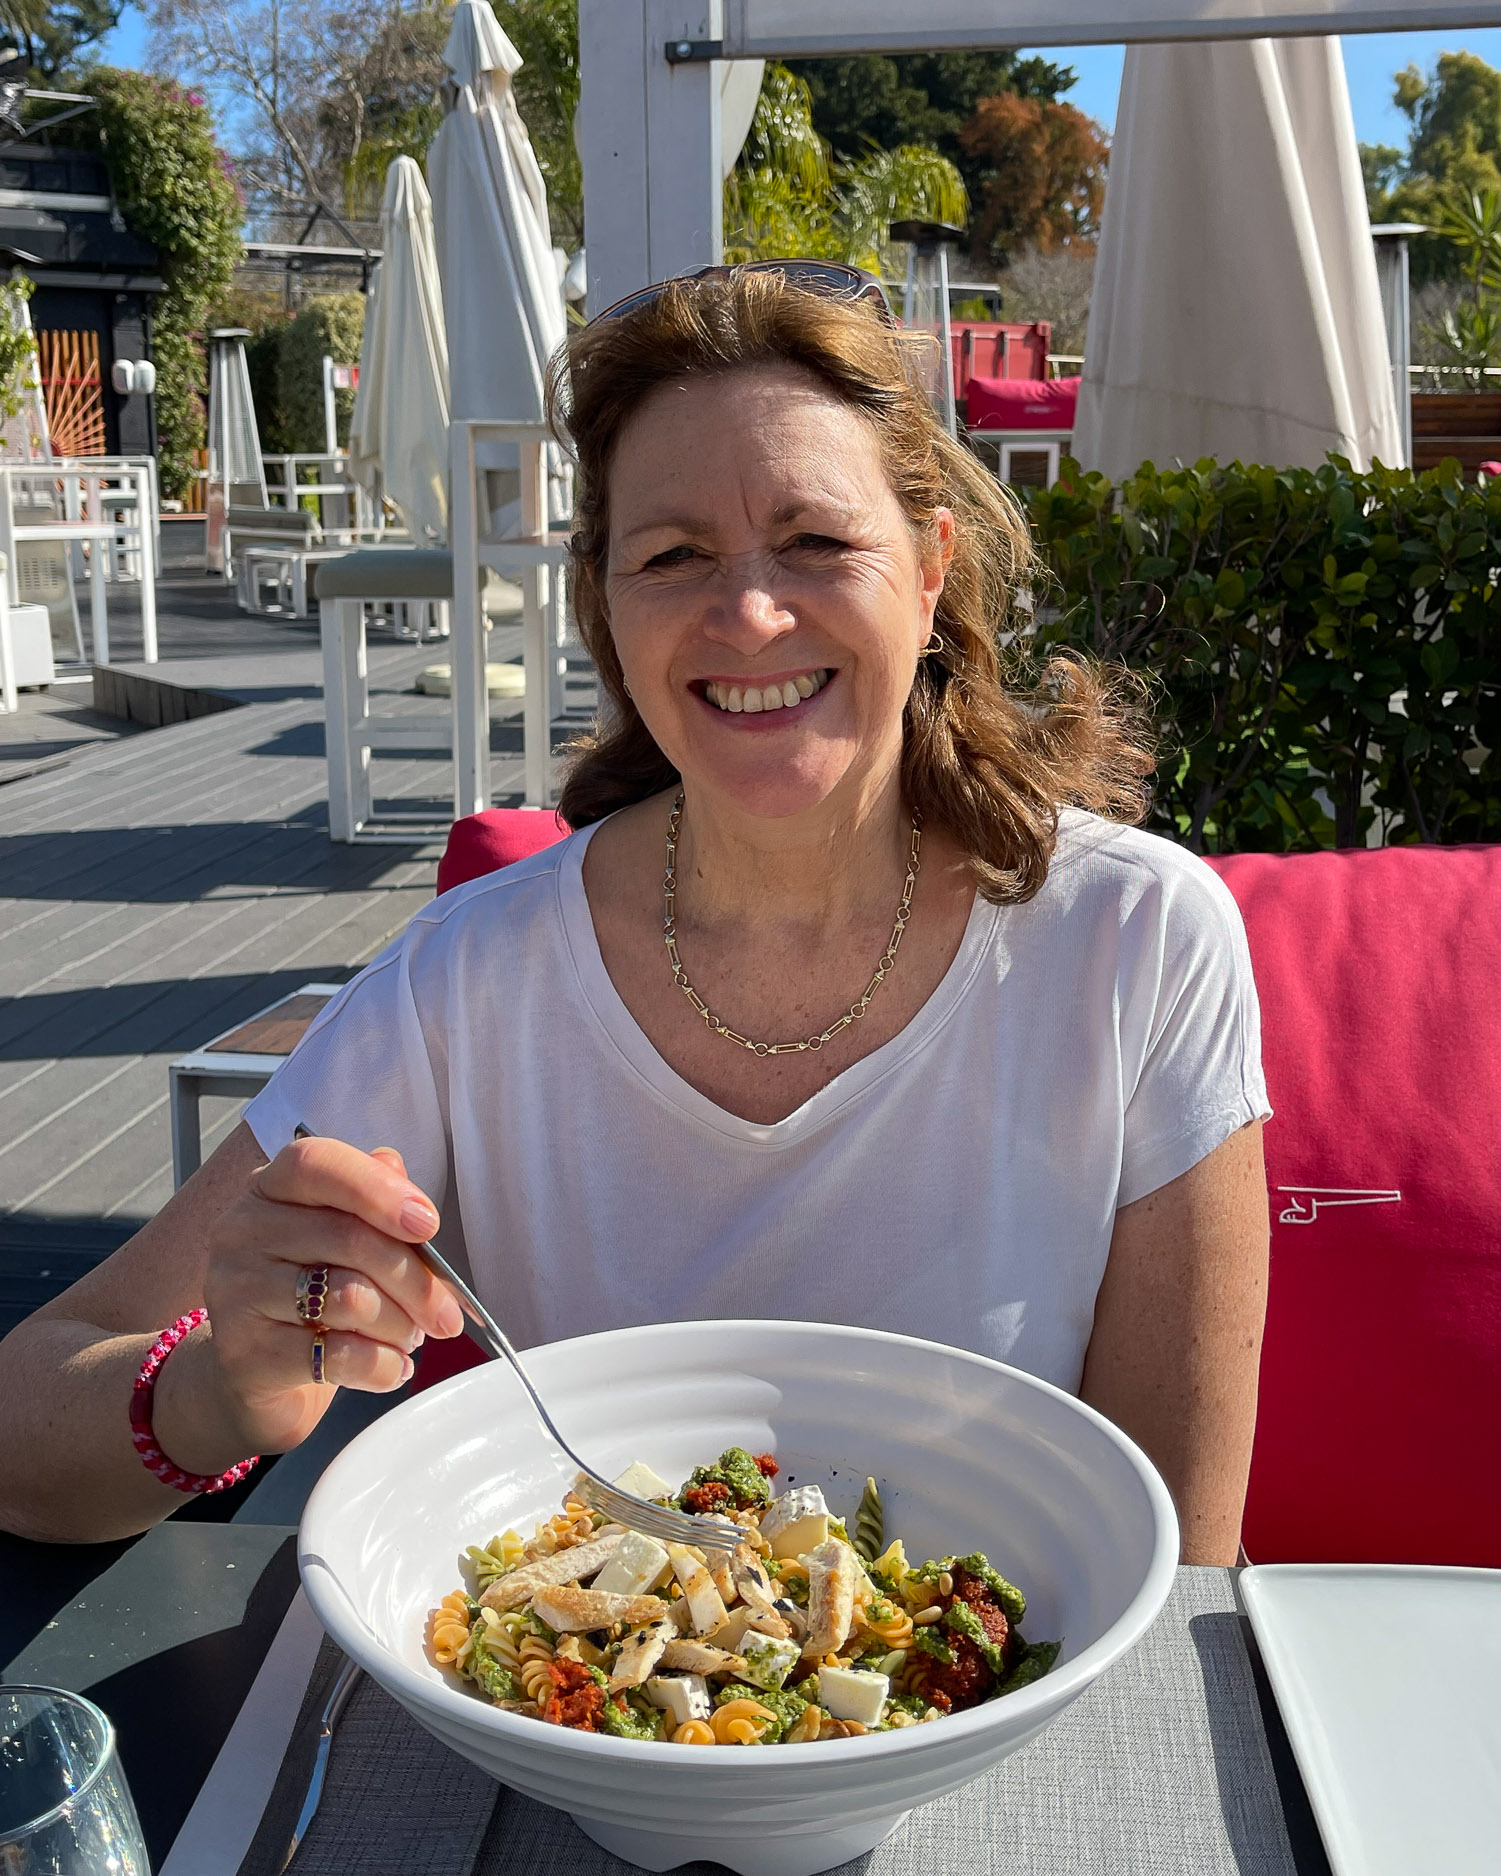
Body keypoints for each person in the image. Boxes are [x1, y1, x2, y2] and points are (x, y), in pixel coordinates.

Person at [0, 266, 1269, 1558]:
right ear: (603, 604)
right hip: (579, 1717)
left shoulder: (1133, 939)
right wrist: (218, 1390)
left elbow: (1173, 1555)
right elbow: (29, 1430)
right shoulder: (473, 980)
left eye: (818, 541)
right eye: (673, 556)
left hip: (1008, 1685)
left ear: (931, 567)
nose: (750, 612)